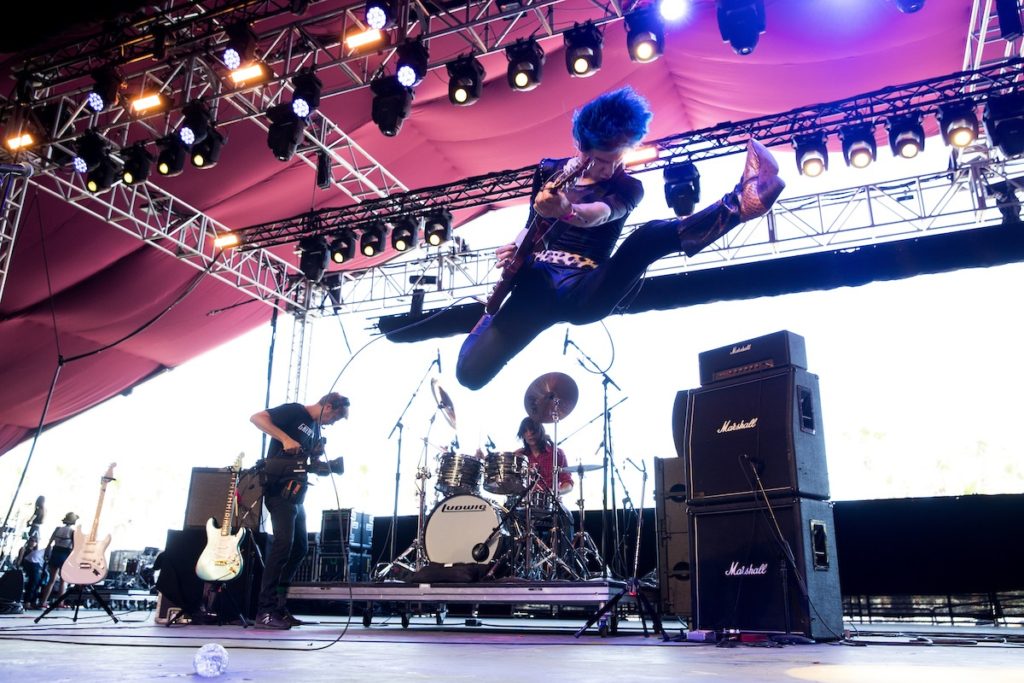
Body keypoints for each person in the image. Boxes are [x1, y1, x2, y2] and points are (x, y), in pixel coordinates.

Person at [456, 86, 784, 390]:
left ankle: (741, 203)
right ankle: (491, 318)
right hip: (533, 284)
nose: (610, 169)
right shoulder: (547, 171)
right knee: (468, 373)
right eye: (601, 161)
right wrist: (516, 248)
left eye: (618, 159)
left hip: (585, 285)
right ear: (580, 148)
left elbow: (600, 213)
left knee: (647, 238)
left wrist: (567, 209)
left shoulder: (628, 187)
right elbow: (531, 221)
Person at [250, 392, 349, 630]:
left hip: (296, 494)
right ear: (327, 406)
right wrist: (285, 438)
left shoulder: (315, 430)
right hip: (279, 491)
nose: (332, 424)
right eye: (334, 418)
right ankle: (264, 611)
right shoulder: (296, 411)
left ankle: (279, 606)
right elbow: (257, 418)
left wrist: (319, 462)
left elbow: (303, 462)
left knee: (299, 548)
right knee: (283, 545)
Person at [39, 512, 77, 607]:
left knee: (51, 580)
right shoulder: (72, 532)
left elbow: (49, 543)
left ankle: (43, 601)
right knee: (63, 580)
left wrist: (47, 554)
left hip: (55, 552)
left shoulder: (57, 529)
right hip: (65, 554)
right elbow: (74, 547)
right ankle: (60, 602)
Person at [17, 535, 45, 608]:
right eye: (31, 541)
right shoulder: (23, 549)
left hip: (35, 566)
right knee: (33, 582)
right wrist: (18, 566)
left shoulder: (36, 551)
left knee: (37, 581)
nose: (33, 543)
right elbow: (20, 558)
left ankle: (34, 600)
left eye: (35, 541)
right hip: (26, 565)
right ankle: (28, 601)